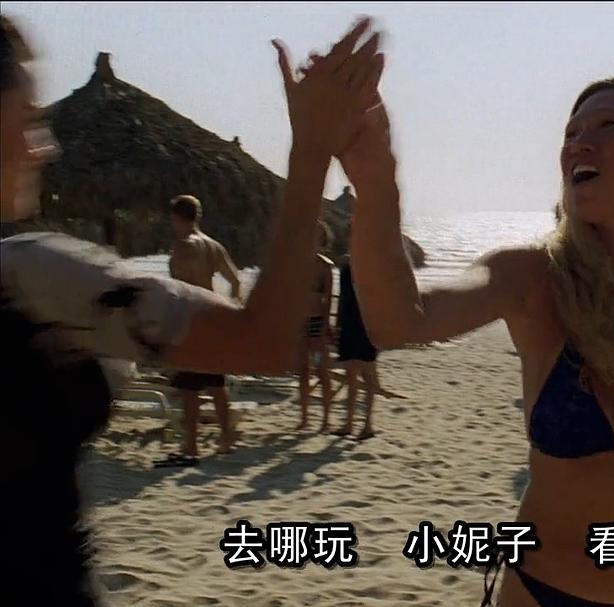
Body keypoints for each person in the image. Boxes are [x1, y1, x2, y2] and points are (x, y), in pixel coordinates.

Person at [338, 68, 614, 604]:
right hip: (544, 592)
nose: (579, 142)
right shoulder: (531, 279)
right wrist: (376, 182)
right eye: (571, 133)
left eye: (607, 125)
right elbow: (398, 320)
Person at [1, 14, 385, 605]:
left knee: (202, 394)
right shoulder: (30, 276)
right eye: (29, 121)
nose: (45, 146)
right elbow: (263, 341)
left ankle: (207, 443)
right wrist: (311, 151)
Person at [166, 194, 243, 460]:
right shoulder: (213, 245)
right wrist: (232, 310)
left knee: (189, 388)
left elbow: (178, 287)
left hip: (191, 318)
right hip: (213, 316)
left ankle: (191, 444)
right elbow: (235, 280)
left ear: (177, 218)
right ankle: (226, 438)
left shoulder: (183, 246)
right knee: (215, 384)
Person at [334, 252, 380, 439]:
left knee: (367, 375)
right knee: (350, 375)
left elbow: (382, 298)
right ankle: (349, 423)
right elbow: (343, 297)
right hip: (348, 324)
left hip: (368, 325)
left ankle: (368, 425)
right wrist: (338, 324)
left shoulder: (374, 266)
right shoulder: (346, 265)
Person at [297, 220, 335, 431]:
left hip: (317, 326)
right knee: (303, 371)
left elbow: (328, 299)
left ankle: (326, 420)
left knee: (321, 370)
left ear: (322, 240)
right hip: (300, 326)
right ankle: (304, 418)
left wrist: (325, 325)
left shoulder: (324, 266)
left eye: (317, 236)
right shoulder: (298, 264)